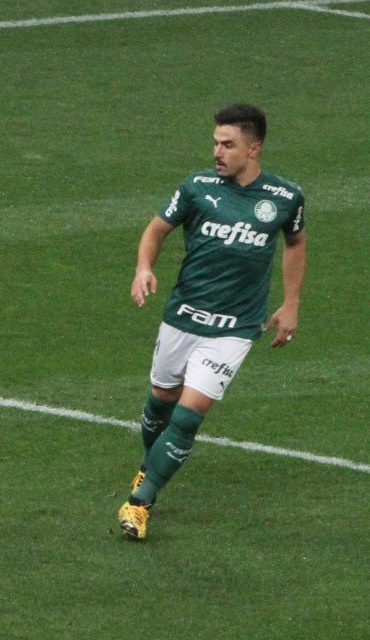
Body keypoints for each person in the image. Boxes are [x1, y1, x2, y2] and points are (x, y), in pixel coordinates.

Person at [119, 103, 306, 540]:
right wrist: (143, 267)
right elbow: (156, 229)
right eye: (215, 143)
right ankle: (149, 467)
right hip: (182, 317)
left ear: (254, 148)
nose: (217, 152)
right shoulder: (197, 187)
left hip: (236, 328)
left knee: (187, 418)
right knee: (159, 406)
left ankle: (140, 502)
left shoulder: (284, 197)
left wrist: (291, 302)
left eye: (228, 144)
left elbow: (295, 244)